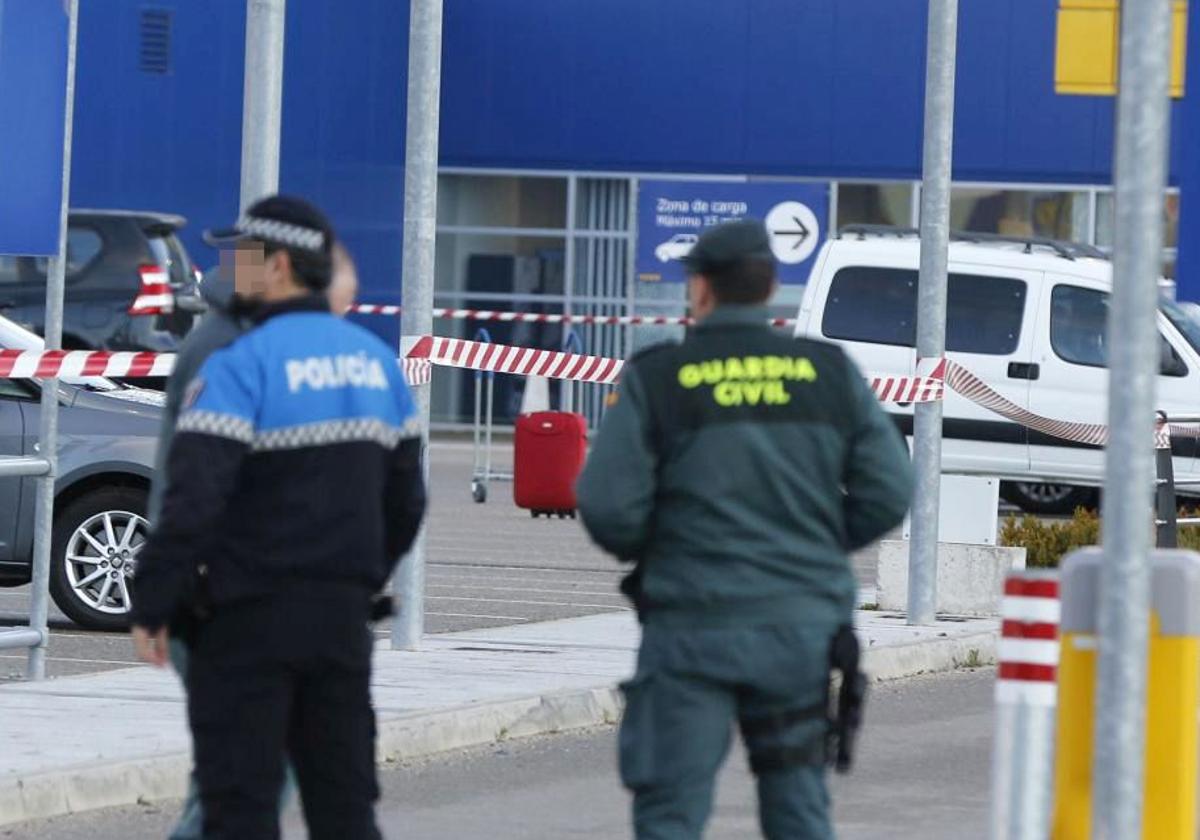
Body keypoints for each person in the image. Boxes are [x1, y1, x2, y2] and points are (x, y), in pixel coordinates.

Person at [576, 218, 913, 840]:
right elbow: (891, 490)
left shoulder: (659, 377)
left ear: (701, 289)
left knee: (671, 808)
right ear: (769, 288)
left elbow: (607, 507)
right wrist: (816, 546)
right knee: (797, 805)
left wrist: (666, 551)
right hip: (799, 630)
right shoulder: (828, 372)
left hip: (691, 629)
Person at [131, 195, 426, 839]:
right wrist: (356, 578)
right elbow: (408, 501)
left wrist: (155, 599)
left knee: (239, 807)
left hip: (246, 622)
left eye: (247, 256)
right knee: (343, 807)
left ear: (283, 266)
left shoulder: (242, 364)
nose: (235, 268)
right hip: (341, 623)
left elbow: (193, 498)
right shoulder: (377, 363)